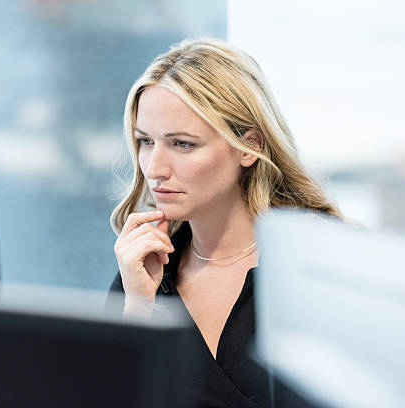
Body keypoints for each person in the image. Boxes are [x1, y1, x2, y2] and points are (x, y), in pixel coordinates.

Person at [107, 38, 343, 407]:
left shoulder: (322, 267)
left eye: (182, 144)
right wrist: (138, 310)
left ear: (249, 147)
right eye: (145, 141)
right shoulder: (142, 269)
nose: (154, 169)